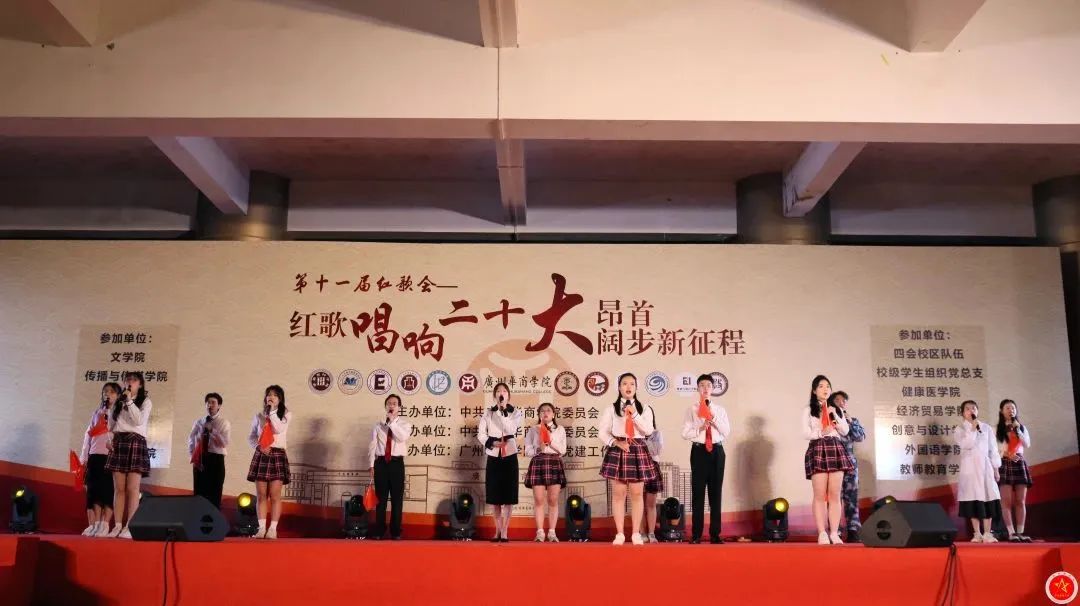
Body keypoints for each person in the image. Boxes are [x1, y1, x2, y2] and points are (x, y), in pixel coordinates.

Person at [599, 372, 656, 545]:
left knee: (637, 494)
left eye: (632, 384)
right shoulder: (611, 409)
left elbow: (648, 430)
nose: (628, 387)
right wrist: (616, 442)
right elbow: (603, 432)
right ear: (619, 387)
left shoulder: (645, 408)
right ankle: (620, 534)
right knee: (619, 494)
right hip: (619, 449)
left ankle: (636, 533)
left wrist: (635, 414)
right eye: (624, 383)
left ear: (636, 387)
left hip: (637, 449)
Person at [801, 375, 853, 545]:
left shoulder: (835, 409)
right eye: (821, 386)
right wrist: (820, 433)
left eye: (828, 386)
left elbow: (845, 431)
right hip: (818, 447)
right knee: (819, 494)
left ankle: (834, 533)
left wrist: (835, 415)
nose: (825, 389)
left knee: (835, 494)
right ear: (814, 390)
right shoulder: (808, 410)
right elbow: (805, 433)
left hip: (835, 447)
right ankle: (822, 532)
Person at [681, 373, 731, 544]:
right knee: (698, 493)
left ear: (713, 389)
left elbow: (726, 432)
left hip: (717, 451)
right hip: (699, 452)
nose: (705, 388)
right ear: (697, 388)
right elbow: (685, 433)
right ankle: (696, 535)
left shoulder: (720, 410)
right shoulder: (692, 409)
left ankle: (715, 534)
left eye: (708, 385)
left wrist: (712, 416)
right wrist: (700, 428)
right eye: (702, 385)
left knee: (716, 493)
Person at [104, 372, 152, 539]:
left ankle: (130, 526)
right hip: (119, 442)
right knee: (119, 488)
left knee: (132, 488)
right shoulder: (118, 402)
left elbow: (138, 421)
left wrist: (129, 401)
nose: (130, 382)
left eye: (134, 380)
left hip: (135, 442)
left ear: (140, 384)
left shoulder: (145, 401)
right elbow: (111, 425)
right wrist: (109, 439)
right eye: (127, 380)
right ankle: (117, 525)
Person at [478, 382, 523, 542]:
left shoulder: (515, 413)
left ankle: (505, 530)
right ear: (494, 395)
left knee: (509, 495)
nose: (501, 393)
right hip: (493, 453)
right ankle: (497, 529)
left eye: (504, 391)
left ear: (508, 395)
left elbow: (510, 430)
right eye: (498, 391)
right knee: (495, 495)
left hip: (509, 453)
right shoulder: (488, 413)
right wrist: (492, 442)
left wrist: (503, 411)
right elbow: (481, 434)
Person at [246, 385, 291, 539]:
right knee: (261, 495)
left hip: (277, 454)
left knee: (275, 495)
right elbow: (251, 436)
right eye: (268, 395)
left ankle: (273, 529)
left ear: (280, 399)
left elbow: (278, 429)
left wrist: (271, 412)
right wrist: (259, 446)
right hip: (262, 454)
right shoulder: (259, 416)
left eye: (275, 395)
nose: (271, 397)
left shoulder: (286, 414)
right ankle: (261, 528)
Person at [955, 400, 1002, 543]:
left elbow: (993, 449)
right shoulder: (959, 429)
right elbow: (966, 444)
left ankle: (987, 533)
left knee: (988, 497)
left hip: (985, 468)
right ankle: (977, 533)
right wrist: (973, 430)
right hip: (969, 469)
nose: (971, 411)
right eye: (967, 409)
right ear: (963, 413)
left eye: (974, 408)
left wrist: (996, 468)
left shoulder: (986, 428)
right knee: (972, 499)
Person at [367, 393, 411, 540]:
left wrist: (392, 422)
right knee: (381, 499)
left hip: (397, 464)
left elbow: (402, 437)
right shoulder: (378, 425)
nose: (391, 405)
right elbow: (373, 446)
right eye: (389, 403)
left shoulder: (405, 425)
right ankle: (379, 530)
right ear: (385, 406)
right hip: (381, 464)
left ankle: (396, 531)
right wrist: (371, 465)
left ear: (399, 408)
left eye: (394, 403)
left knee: (397, 499)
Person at [79, 382, 118, 537]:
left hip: (110, 455)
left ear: (118, 395)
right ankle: (94, 524)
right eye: (105, 391)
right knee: (93, 490)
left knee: (107, 490)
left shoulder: (119, 413)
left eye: (112, 392)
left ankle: (105, 524)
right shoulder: (97, 412)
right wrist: (84, 456)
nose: (108, 394)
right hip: (94, 455)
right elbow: (88, 435)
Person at [524, 402, 567, 542]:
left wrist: (549, 439)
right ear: (539, 415)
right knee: (538, 499)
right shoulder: (533, 429)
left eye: (548, 410)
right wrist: (538, 449)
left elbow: (563, 450)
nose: (545, 413)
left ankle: (552, 532)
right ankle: (540, 532)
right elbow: (527, 450)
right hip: (538, 462)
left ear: (553, 414)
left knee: (553, 500)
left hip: (554, 462)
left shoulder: (560, 429)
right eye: (542, 411)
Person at [830, 390, 866, 542]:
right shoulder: (829, 418)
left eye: (844, 401)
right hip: (834, 464)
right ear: (832, 403)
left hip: (850, 465)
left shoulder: (852, 420)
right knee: (834, 498)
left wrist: (851, 421)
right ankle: (835, 531)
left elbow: (860, 437)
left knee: (852, 498)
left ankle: (853, 530)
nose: (842, 403)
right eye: (838, 400)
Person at [996, 399, 1033, 542]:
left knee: (1020, 501)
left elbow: (1027, 444)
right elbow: (993, 448)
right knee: (1006, 501)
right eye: (1007, 408)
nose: (1011, 410)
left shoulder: (1021, 427)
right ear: (1001, 411)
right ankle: (1011, 533)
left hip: (1018, 462)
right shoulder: (996, 429)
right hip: (1004, 463)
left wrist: (1018, 431)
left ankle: (1020, 532)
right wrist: (1005, 453)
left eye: (1013, 408)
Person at [188, 392, 230, 510]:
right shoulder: (199, 422)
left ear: (219, 405)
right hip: (200, 458)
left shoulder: (224, 423)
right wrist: (192, 456)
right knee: (199, 492)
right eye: (208, 403)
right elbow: (191, 439)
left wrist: (213, 431)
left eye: (213, 402)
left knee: (214, 492)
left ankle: (213, 519)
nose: (210, 405)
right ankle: (197, 517)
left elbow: (224, 443)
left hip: (216, 459)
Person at [641, 407, 664, 543]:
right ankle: (641, 533)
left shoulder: (656, 433)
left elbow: (656, 451)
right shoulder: (632, 433)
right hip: (637, 467)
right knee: (638, 504)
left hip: (652, 467)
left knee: (651, 504)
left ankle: (651, 533)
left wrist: (644, 438)